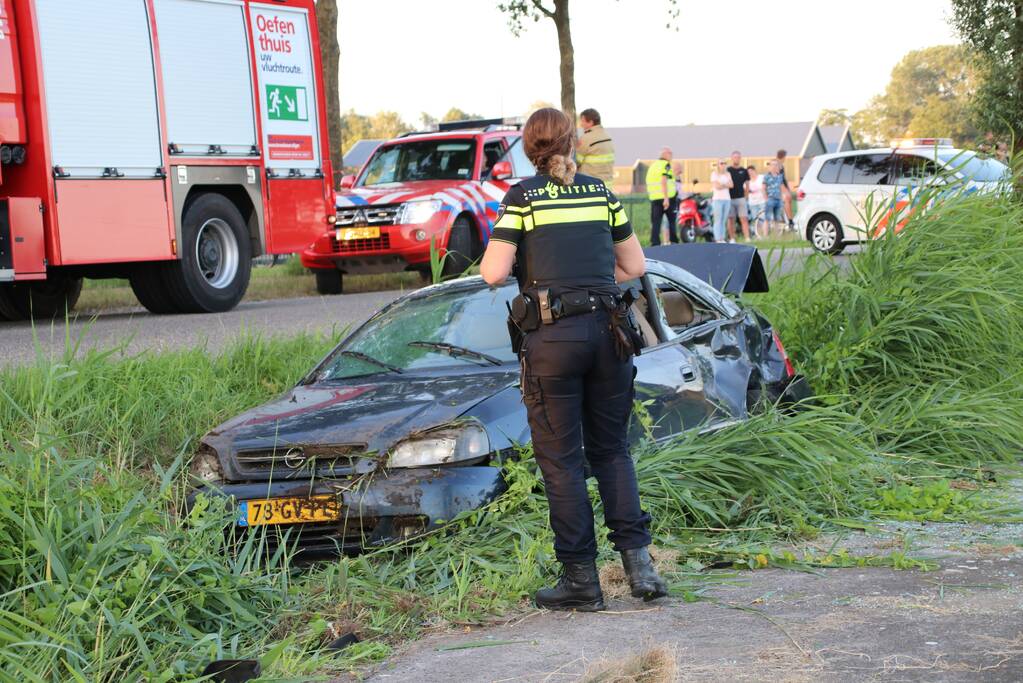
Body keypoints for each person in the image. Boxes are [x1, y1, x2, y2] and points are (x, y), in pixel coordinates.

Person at [480, 108, 667, 612]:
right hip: (610, 334)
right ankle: (642, 571)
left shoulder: (523, 198)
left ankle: (582, 582)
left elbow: (493, 273)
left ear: (528, 148)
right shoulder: (601, 194)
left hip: (553, 342)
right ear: (572, 143)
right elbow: (635, 266)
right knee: (612, 452)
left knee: (562, 463)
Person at [645, 147, 679, 245]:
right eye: (670, 153)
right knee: (672, 222)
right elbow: (663, 180)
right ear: (665, 154)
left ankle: (654, 243)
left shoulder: (653, 166)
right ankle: (674, 241)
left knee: (656, 223)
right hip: (667, 199)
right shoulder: (666, 165)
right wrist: (666, 198)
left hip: (655, 199)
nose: (672, 156)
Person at [575, 108, 615, 185]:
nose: (581, 124)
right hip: (607, 183)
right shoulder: (608, 136)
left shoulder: (586, 138)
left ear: (591, 122)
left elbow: (576, 162)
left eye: (583, 121)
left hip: (591, 183)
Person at [726, 151, 750, 241]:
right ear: (731, 158)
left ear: (740, 158)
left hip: (741, 198)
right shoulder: (728, 170)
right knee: (731, 219)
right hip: (730, 199)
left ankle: (747, 237)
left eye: (738, 157)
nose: (736, 159)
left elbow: (747, 184)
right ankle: (732, 238)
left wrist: (746, 196)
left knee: (744, 219)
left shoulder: (744, 171)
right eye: (735, 157)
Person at [710, 159, 733, 243]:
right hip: (717, 199)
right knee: (718, 219)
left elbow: (731, 185)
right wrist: (725, 185)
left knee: (724, 220)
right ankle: (717, 238)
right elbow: (717, 186)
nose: (723, 165)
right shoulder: (714, 174)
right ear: (718, 165)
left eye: (724, 163)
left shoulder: (728, 174)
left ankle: (722, 238)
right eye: (721, 163)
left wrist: (722, 185)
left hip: (727, 199)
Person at [763, 160, 786, 234]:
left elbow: (782, 187)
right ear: (770, 166)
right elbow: (763, 188)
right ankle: (765, 236)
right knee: (767, 218)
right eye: (772, 165)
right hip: (770, 199)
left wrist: (783, 198)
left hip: (778, 200)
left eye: (776, 165)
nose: (774, 166)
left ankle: (776, 236)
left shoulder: (780, 176)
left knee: (777, 219)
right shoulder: (766, 176)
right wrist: (766, 198)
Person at [775, 149, 795, 231]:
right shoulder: (777, 165)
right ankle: (790, 222)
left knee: (789, 201)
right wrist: (785, 191)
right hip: (779, 189)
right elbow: (778, 180)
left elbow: (784, 179)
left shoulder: (781, 165)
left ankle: (789, 219)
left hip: (783, 187)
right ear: (783, 157)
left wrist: (788, 188)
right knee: (787, 199)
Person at [747, 165, 767, 239]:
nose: (750, 173)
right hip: (752, 203)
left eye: (751, 171)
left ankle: (765, 235)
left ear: (755, 171)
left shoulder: (761, 178)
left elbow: (765, 186)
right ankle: (758, 235)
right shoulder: (747, 181)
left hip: (762, 201)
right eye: (749, 172)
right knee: (756, 219)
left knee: (763, 218)